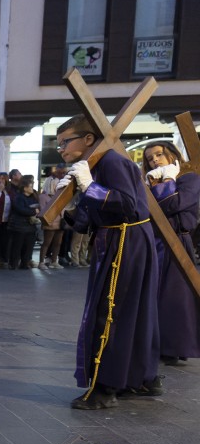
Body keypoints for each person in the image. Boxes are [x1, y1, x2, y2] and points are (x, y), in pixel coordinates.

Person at [55, 116, 160, 409]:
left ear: (88, 139)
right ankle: (132, 378)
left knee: (110, 311)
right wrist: (66, 207)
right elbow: (90, 218)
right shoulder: (95, 166)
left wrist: (90, 188)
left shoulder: (111, 162)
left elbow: (129, 205)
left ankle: (105, 388)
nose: (61, 149)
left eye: (65, 141)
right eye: (58, 144)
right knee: (127, 313)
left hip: (125, 241)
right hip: (117, 240)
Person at [143, 141, 198, 367]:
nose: (154, 160)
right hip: (154, 241)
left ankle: (174, 346)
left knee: (176, 298)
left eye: (159, 154)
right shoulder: (147, 182)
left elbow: (173, 204)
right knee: (152, 295)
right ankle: (153, 344)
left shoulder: (190, 178)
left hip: (177, 241)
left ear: (172, 154)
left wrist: (167, 181)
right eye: (149, 158)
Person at [6, 177, 40, 269]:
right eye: (30, 187)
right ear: (25, 188)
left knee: (28, 246)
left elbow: (38, 208)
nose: (32, 188)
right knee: (17, 246)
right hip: (19, 226)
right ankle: (13, 264)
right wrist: (33, 211)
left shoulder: (33, 197)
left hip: (30, 226)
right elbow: (21, 210)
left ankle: (25, 263)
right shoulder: (18, 197)